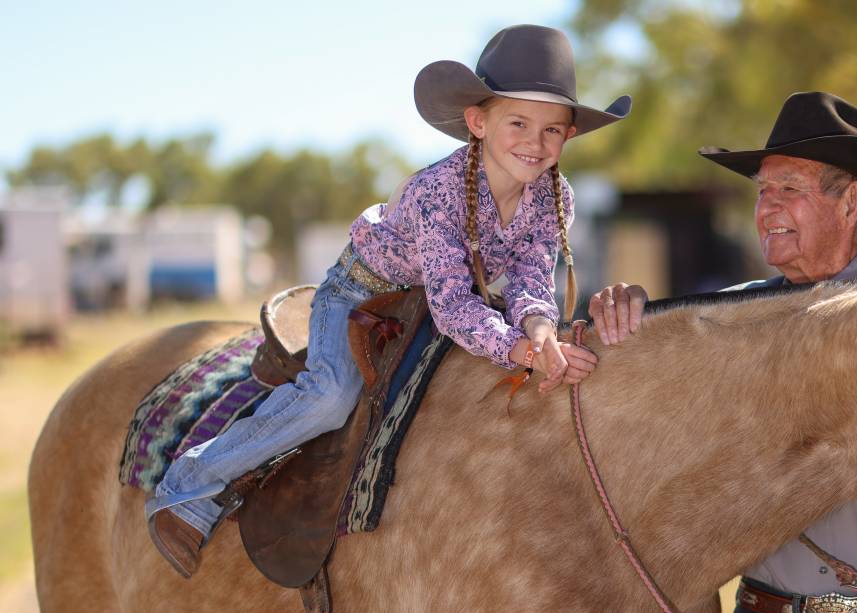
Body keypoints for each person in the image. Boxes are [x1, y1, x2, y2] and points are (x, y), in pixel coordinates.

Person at [146, 24, 631, 578]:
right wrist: (518, 349)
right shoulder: (435, 192)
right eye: (517, 122)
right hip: (362, 292)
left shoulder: (553, 196)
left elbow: (529, 277)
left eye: (551, 129)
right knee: (330, 395)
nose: (534, 142)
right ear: (478, 122)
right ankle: (188, 485)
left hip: (437, 298)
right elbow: (453, 306)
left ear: (568, 136)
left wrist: (542, 332)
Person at [589, 92, 857, 613]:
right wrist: (626, 322)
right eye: (763, 191)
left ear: (852, 203)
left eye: (789, 189)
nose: (766, 209)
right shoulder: (726, 321)